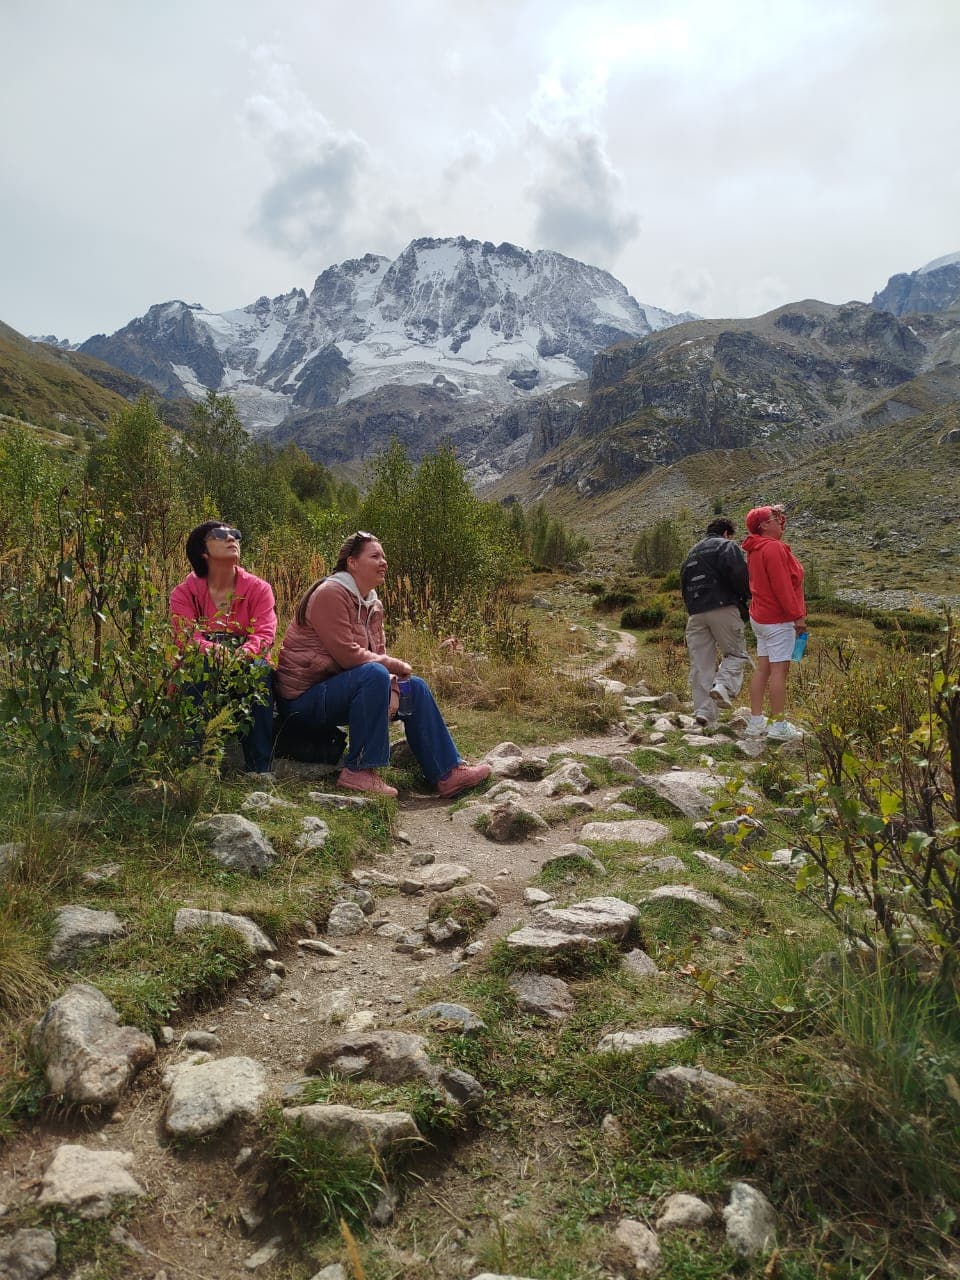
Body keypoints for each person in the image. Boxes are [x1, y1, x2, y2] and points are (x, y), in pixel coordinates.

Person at [275, 531, 492, 799]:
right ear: (352, 562)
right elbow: (348, 655)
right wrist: (391, 670)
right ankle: (359, 770)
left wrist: (393, 685)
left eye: (384, 556)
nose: (384, 562)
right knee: (375, 673)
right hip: (303, 700)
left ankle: (447, 773)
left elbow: (376, 655)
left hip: (342, 689)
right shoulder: (330, 593)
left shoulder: (373, 603)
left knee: (415, 688)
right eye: (375, 556)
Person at [169, 520, 276, 774]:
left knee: (260, 670)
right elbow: (186, 639)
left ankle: (259, 770)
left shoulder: (259, 589)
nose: (231, 539)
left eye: (235, 534)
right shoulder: (184, 593)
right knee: (198, 666)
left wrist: (243, 654)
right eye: (219, 535)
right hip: (203, 663)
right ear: (202, 551)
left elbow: (264, 635)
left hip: (245, 662)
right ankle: (195, 764)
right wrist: (215, 651)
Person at [741, 505, 806, 742]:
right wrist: (797, 615)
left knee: (763, 668)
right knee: (779, 671)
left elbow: (778, 529)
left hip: (760, 617)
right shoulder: (774, 548)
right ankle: (779, 726)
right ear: (764, 525)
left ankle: (756, 721)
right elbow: (782, 586)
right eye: (774, 519)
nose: (780, 521)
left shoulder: (756, 548)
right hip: (778, 619)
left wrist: (776, 513)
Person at [680, 517, 750, 728]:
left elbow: (683, 582)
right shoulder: (726, 546)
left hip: (695, 614)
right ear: (727, 533)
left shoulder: (692, 552)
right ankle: (723, 686)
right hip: (723, 607)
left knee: (701, 663)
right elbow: (739, 575)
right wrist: (747, 597)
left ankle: (704, 713)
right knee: (736, 654)